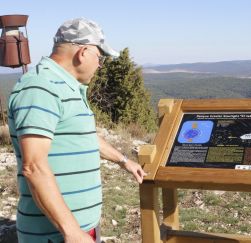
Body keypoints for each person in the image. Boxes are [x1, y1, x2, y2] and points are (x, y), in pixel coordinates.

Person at [7, 17, 147, 243]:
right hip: (55, 235)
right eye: (99, 58)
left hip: (78, 230)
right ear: (83, 52)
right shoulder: (41, 88)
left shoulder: (66, 87)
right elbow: (34, 166)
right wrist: (71, 231)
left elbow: (83, 137)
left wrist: (123, 160)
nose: (100, 66)